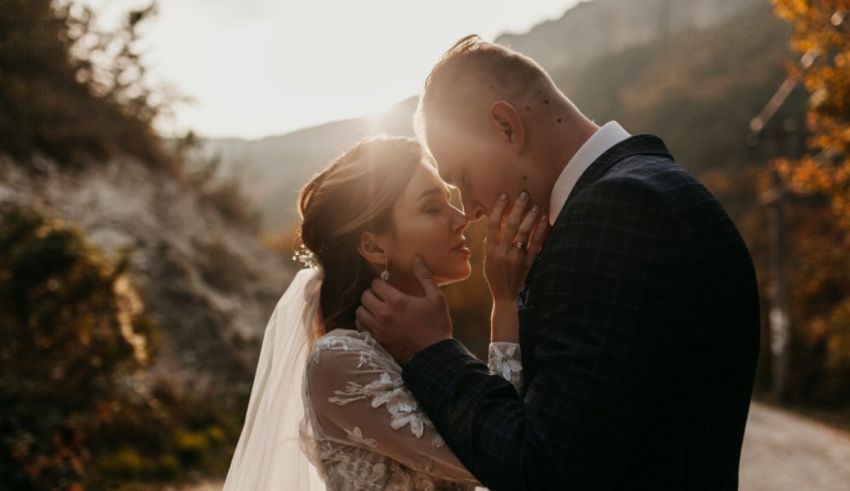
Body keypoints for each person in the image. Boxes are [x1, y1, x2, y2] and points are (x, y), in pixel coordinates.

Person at [357, 35, 761, 490]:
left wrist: (428, 350)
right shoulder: (652, 186)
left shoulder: (617, 212)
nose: (470, 209)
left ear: (507, 127)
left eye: (463, 179)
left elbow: (546, 471)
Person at [223, 135, 544, 490]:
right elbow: (505, 459)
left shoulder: (416, 343)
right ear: (374, 245)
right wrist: (504, 300)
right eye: (432, 208)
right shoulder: (339, 359)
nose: (462, 219)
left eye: (449, 202)